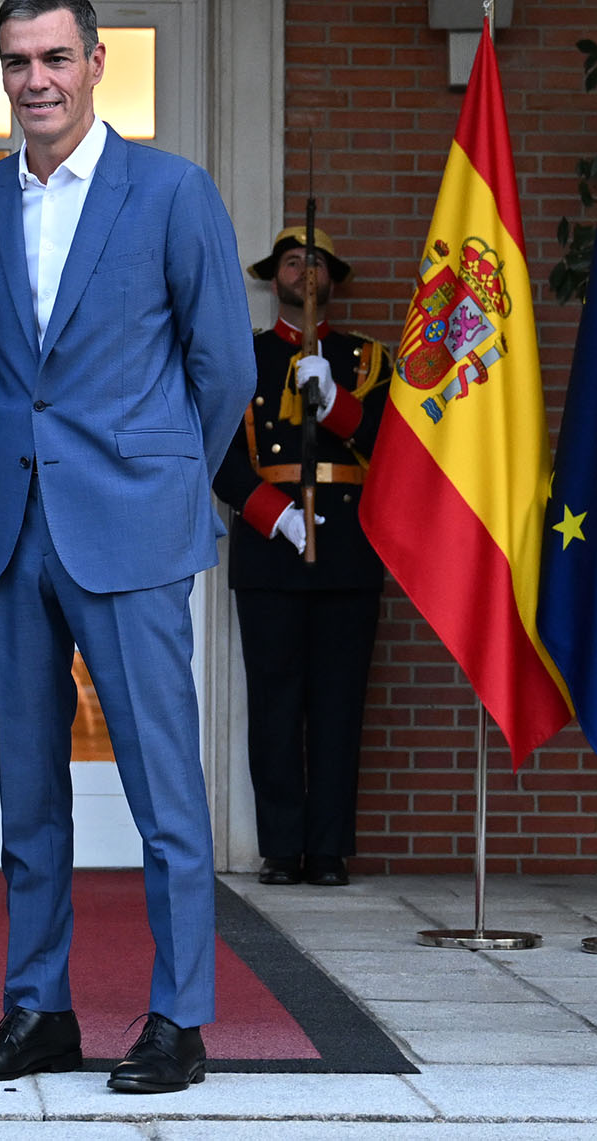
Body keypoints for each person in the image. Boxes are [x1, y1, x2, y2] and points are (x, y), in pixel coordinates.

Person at [0, 0, 252, 1095]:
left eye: (55, 58)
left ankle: (179, 1017)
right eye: (17, 61)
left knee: (164, 793)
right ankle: (39, 1009)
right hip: (10, 532)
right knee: (27, 795)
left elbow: (224, 369)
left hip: (132, 532)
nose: (37, 81)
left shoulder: (170, 191)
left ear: (96, 61)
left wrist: (159, 480)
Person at [211, 227, 391, 888]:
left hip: (347, 549)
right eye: (292, 261)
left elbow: (394, 449)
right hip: (271, 552)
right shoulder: (245, 358)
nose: (304, 271)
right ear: (273, 278)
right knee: (275, 705)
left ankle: (329, 849)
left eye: (315, 261)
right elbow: (218, 453)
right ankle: (282, 848)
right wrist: (273, 513)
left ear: (332, 278)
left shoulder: (366, 359)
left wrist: (338, 404)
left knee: (339, 706)